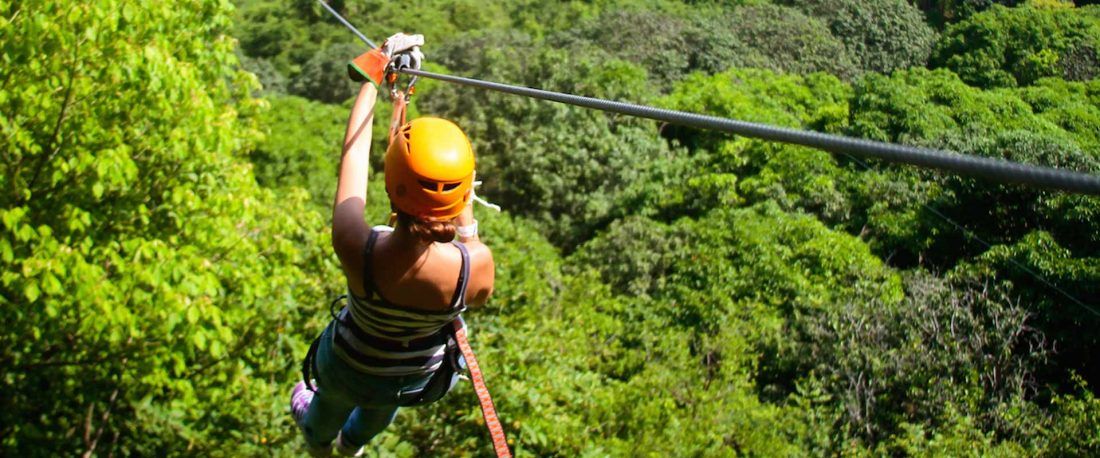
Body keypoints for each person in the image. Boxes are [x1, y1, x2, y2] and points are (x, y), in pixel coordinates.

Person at [288, 75, 495, 456]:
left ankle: (319, 441)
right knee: (382, 402)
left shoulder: (358, 246)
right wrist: (458, 197)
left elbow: (353, 156)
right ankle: (352, 444)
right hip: (412, 378)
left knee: (330, 398)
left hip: (347, 363)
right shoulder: (474, 268)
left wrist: (372, 75)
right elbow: (469, 244)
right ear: (467, 191)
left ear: (391, 181)